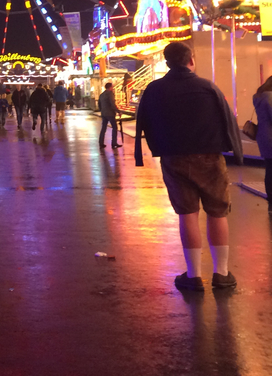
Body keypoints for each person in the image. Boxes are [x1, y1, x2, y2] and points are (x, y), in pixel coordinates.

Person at [135, 41, 243, 291]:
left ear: (166, 62)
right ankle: (222, 274)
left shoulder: (154, 89)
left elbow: (145, 122)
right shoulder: (207, 87)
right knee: (217, 212)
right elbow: (227, 121)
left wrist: (155, 149)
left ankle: (193, 275)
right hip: (210, 157)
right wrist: (234, 152)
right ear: (191, 60)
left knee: (187, 214)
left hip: (174, 158)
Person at [252, 77, 272, 213]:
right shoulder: (270, 97)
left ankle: (271, 203)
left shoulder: (258, 97)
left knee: (269, 170)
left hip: (263, 137)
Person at [98, 82, 121, 149]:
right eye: (112, 87)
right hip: (110, 113)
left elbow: (99, 104)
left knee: (103, 128)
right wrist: (118, 111)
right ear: (110, 87)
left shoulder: (101, 95)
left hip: (104, 113)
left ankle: (101, 142)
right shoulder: (110, 94)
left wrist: (102, 111)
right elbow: (112, 104)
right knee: (114, 127)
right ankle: (114, 143)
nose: (113, 88)